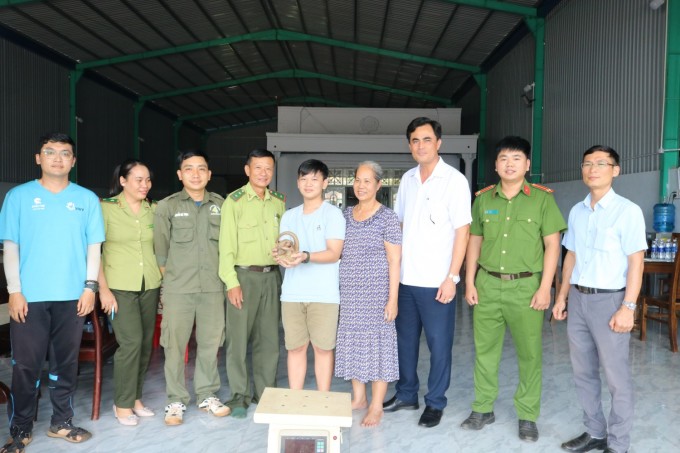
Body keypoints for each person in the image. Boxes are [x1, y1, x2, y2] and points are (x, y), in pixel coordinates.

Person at [0, 132, 104, 451]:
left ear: (73, 161)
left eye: (64, 153)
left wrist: (90, 287)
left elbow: (94, 247)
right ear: (38, 158)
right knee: (27, 366)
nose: (57, 158)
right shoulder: (18, 197)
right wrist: (14, 291)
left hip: (72, 297)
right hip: (29, 298)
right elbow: (11, 246)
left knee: (64, 365)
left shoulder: (86, 199)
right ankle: (20, 428)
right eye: (50, 152)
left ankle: (61, 422)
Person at [460, 136, 566, 442]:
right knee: (485, 352)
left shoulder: (542, 199)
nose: (509, 164)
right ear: (495, 164)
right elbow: (474, 242)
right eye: (503, 158)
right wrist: (469, 281)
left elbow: (552, 246)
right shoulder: (483, 199)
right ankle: (483, 408)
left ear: (527, 164)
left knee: (530, 354)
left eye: (516, 159)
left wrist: (545, 287)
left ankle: (527, 415)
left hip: (526, 287)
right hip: (488, 285)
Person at [553, 146, 646, 453]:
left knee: (616, 377)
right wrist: (562, 297)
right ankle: (595, 433)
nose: (592, 169)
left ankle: (618, 445)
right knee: (582, 372)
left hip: (611, 302)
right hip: (579, 300)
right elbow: (571, 258)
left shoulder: (627, 211)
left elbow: (636, 262)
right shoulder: (577, 211)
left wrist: (628, 307)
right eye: (587, 164)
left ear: (615, 170)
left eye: (601, 163)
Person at [383, 117, 471, 428]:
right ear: (410, 145)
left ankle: (435, 401)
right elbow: (401, 225)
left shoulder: (454, 180)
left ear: (439, 143)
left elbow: (463, 231)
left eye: (427, 139)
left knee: (439, 344)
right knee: (404, 342)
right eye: (415, 141)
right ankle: (407, 393)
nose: (421, 145)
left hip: (437, 282)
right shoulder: (407, 180)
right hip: (406, 279)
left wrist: (453, 278)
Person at [154, 150, 230, 426]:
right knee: (174, 345)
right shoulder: (167, 207)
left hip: (212, 287)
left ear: (209, 174)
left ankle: (207, 394)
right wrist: (172, 283)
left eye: (201, 169)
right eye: (189, 169)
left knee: (211, 343)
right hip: (178, 290)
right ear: (180, 174)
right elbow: (161, 252)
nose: (195, 174)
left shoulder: (223, 206)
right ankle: (175, 400)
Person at [219, 149, 286, 418]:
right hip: (243, 277)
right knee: (237, 340)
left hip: (272, 277)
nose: (263, 173)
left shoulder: (278, 202)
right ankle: (238, 396)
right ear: (247, 170)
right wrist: (231, 282)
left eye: (268, 168)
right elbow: (225, 247)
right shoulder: (234, 202)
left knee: (269, 339)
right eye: (258, 168)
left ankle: (265, 393)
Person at [334, 161, 402, 428]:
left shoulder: (387, 217)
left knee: (378, 346)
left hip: (377, 293)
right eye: (357, 180)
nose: (361, 186)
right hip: (350, 294)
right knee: (353, 343)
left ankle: (376, 405)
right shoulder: (345, 215)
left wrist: (393, 299)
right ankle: (359, 398)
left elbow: (395, 260)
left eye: (367, 181)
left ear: (378, 185)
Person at [98, 159, 162, 426]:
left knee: (146, 343)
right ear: (122, 181)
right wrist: (102, 289)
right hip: (118, 287)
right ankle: (122, 403)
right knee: (131, 342)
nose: (144, 185)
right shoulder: (105, 208)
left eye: (147, 180)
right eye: (138, 179)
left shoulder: (155, 210)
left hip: (150, 284)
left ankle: (135, 398)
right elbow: (93, 250)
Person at [273, 159, 345, 392]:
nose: (308, 183)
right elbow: (286, 247)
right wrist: (280, 254)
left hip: (323, 295)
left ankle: (322, 400)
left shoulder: (333, 215)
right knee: (295, 348)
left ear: (325, 183)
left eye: (314, 179)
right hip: (292, 294)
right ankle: (295, 399)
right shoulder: (289, 216)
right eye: (303, 179)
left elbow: (334, 254)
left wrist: (305, 256)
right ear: (297, 182)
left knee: (323, 349)